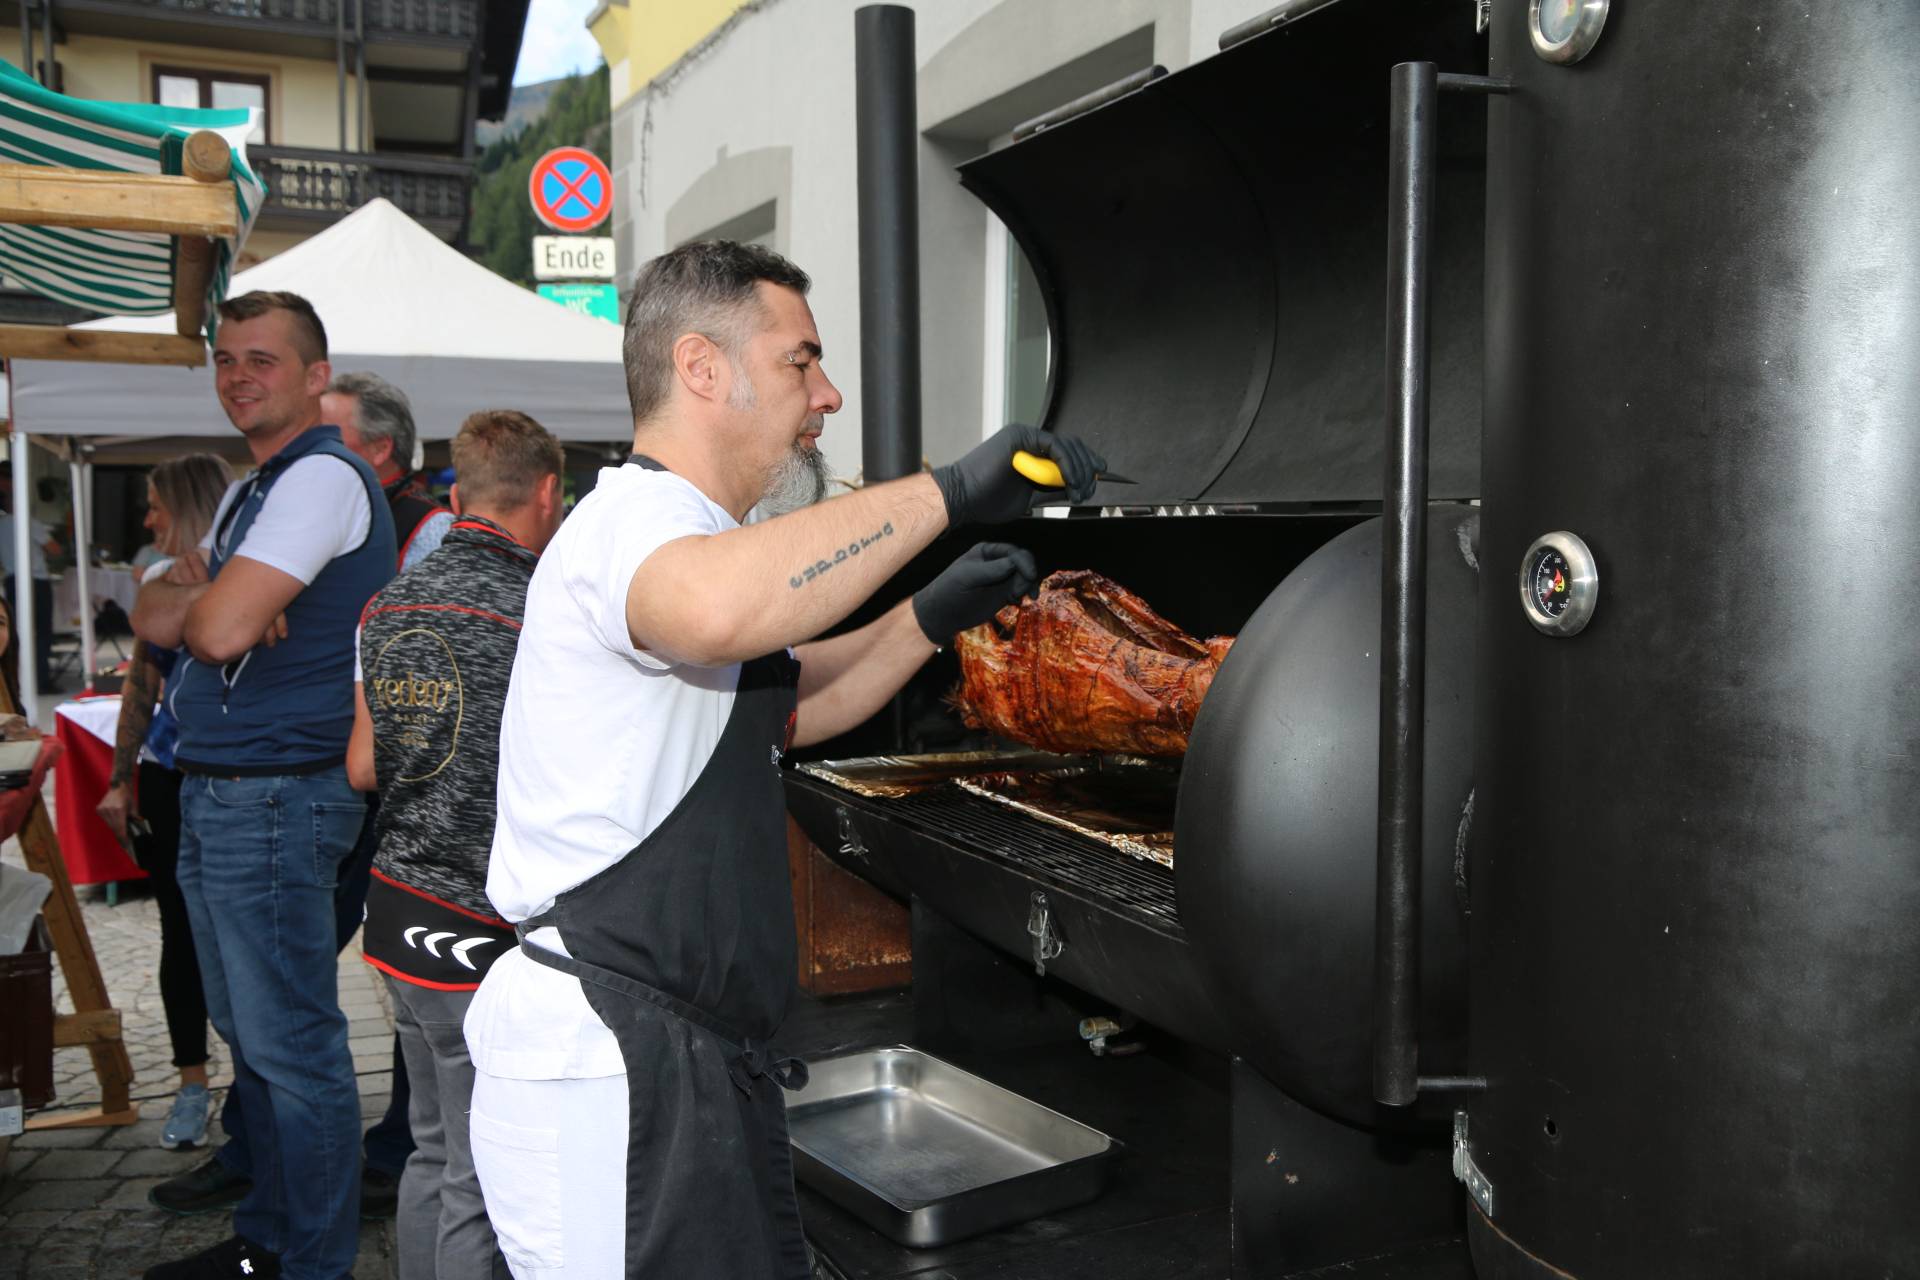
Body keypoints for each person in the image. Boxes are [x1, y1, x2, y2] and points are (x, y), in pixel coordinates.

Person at [463, 239, 1101, 1279]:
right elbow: (719, 607)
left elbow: (793, 706)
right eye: (801, 360)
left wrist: (929, 616)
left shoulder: (692, 541)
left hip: (684, 1054)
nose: (828, 393)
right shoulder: (633, 523)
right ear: (702, 367)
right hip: (608, 1064)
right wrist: (946, 491)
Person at [132, 289, 396, 1280]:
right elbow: (153, 602)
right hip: (228, 787)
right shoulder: (256, 486)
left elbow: (213, 631)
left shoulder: (319, 478)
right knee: (254, 1034)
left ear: (316, 376)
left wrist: (216, 600)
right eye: (226, 359)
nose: (238, 376)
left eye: (263, 359)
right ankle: (273, 1238)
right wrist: (210, 595)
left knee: (289, 1041)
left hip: (280, 792)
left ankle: (311, 1262)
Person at [347, 409, 566, 1280]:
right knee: (484, 1175)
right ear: (547, 492)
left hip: (396, 907)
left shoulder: (387, 602)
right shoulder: (539, 611)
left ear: (458, 495)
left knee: (433, 1149)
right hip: (479, 928)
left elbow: (361, 766)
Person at [320, 370, 440, 1212]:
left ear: (382, 450)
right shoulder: (332, 516)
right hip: (340, 778)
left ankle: (399, 1146)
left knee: (410, 967)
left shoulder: (427, 530)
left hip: (391, 789)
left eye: (332, 439)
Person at [95, 454, 234, 1151]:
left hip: (234, 776)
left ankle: (257, 1083)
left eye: (155, 505)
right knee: (179, 935)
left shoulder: (253, 575)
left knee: (239, 938)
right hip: (167, 776)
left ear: (186, 505)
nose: (148, 520)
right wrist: (121, 778)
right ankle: (191, 1082)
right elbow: (140, 686)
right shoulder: (158, 581)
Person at [325, 372, 455, 572]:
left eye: (329, 437)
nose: (313, 448)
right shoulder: (316, 505)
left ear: (381, 449)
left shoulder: (432, 528)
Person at [0, 460, 64, 691]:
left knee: (16, 630)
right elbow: (54, 549)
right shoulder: (29, 522)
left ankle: (17, 677)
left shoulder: (1, 525)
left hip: (12, 580)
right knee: (42, 631)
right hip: (35, 580)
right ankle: (41, 679)